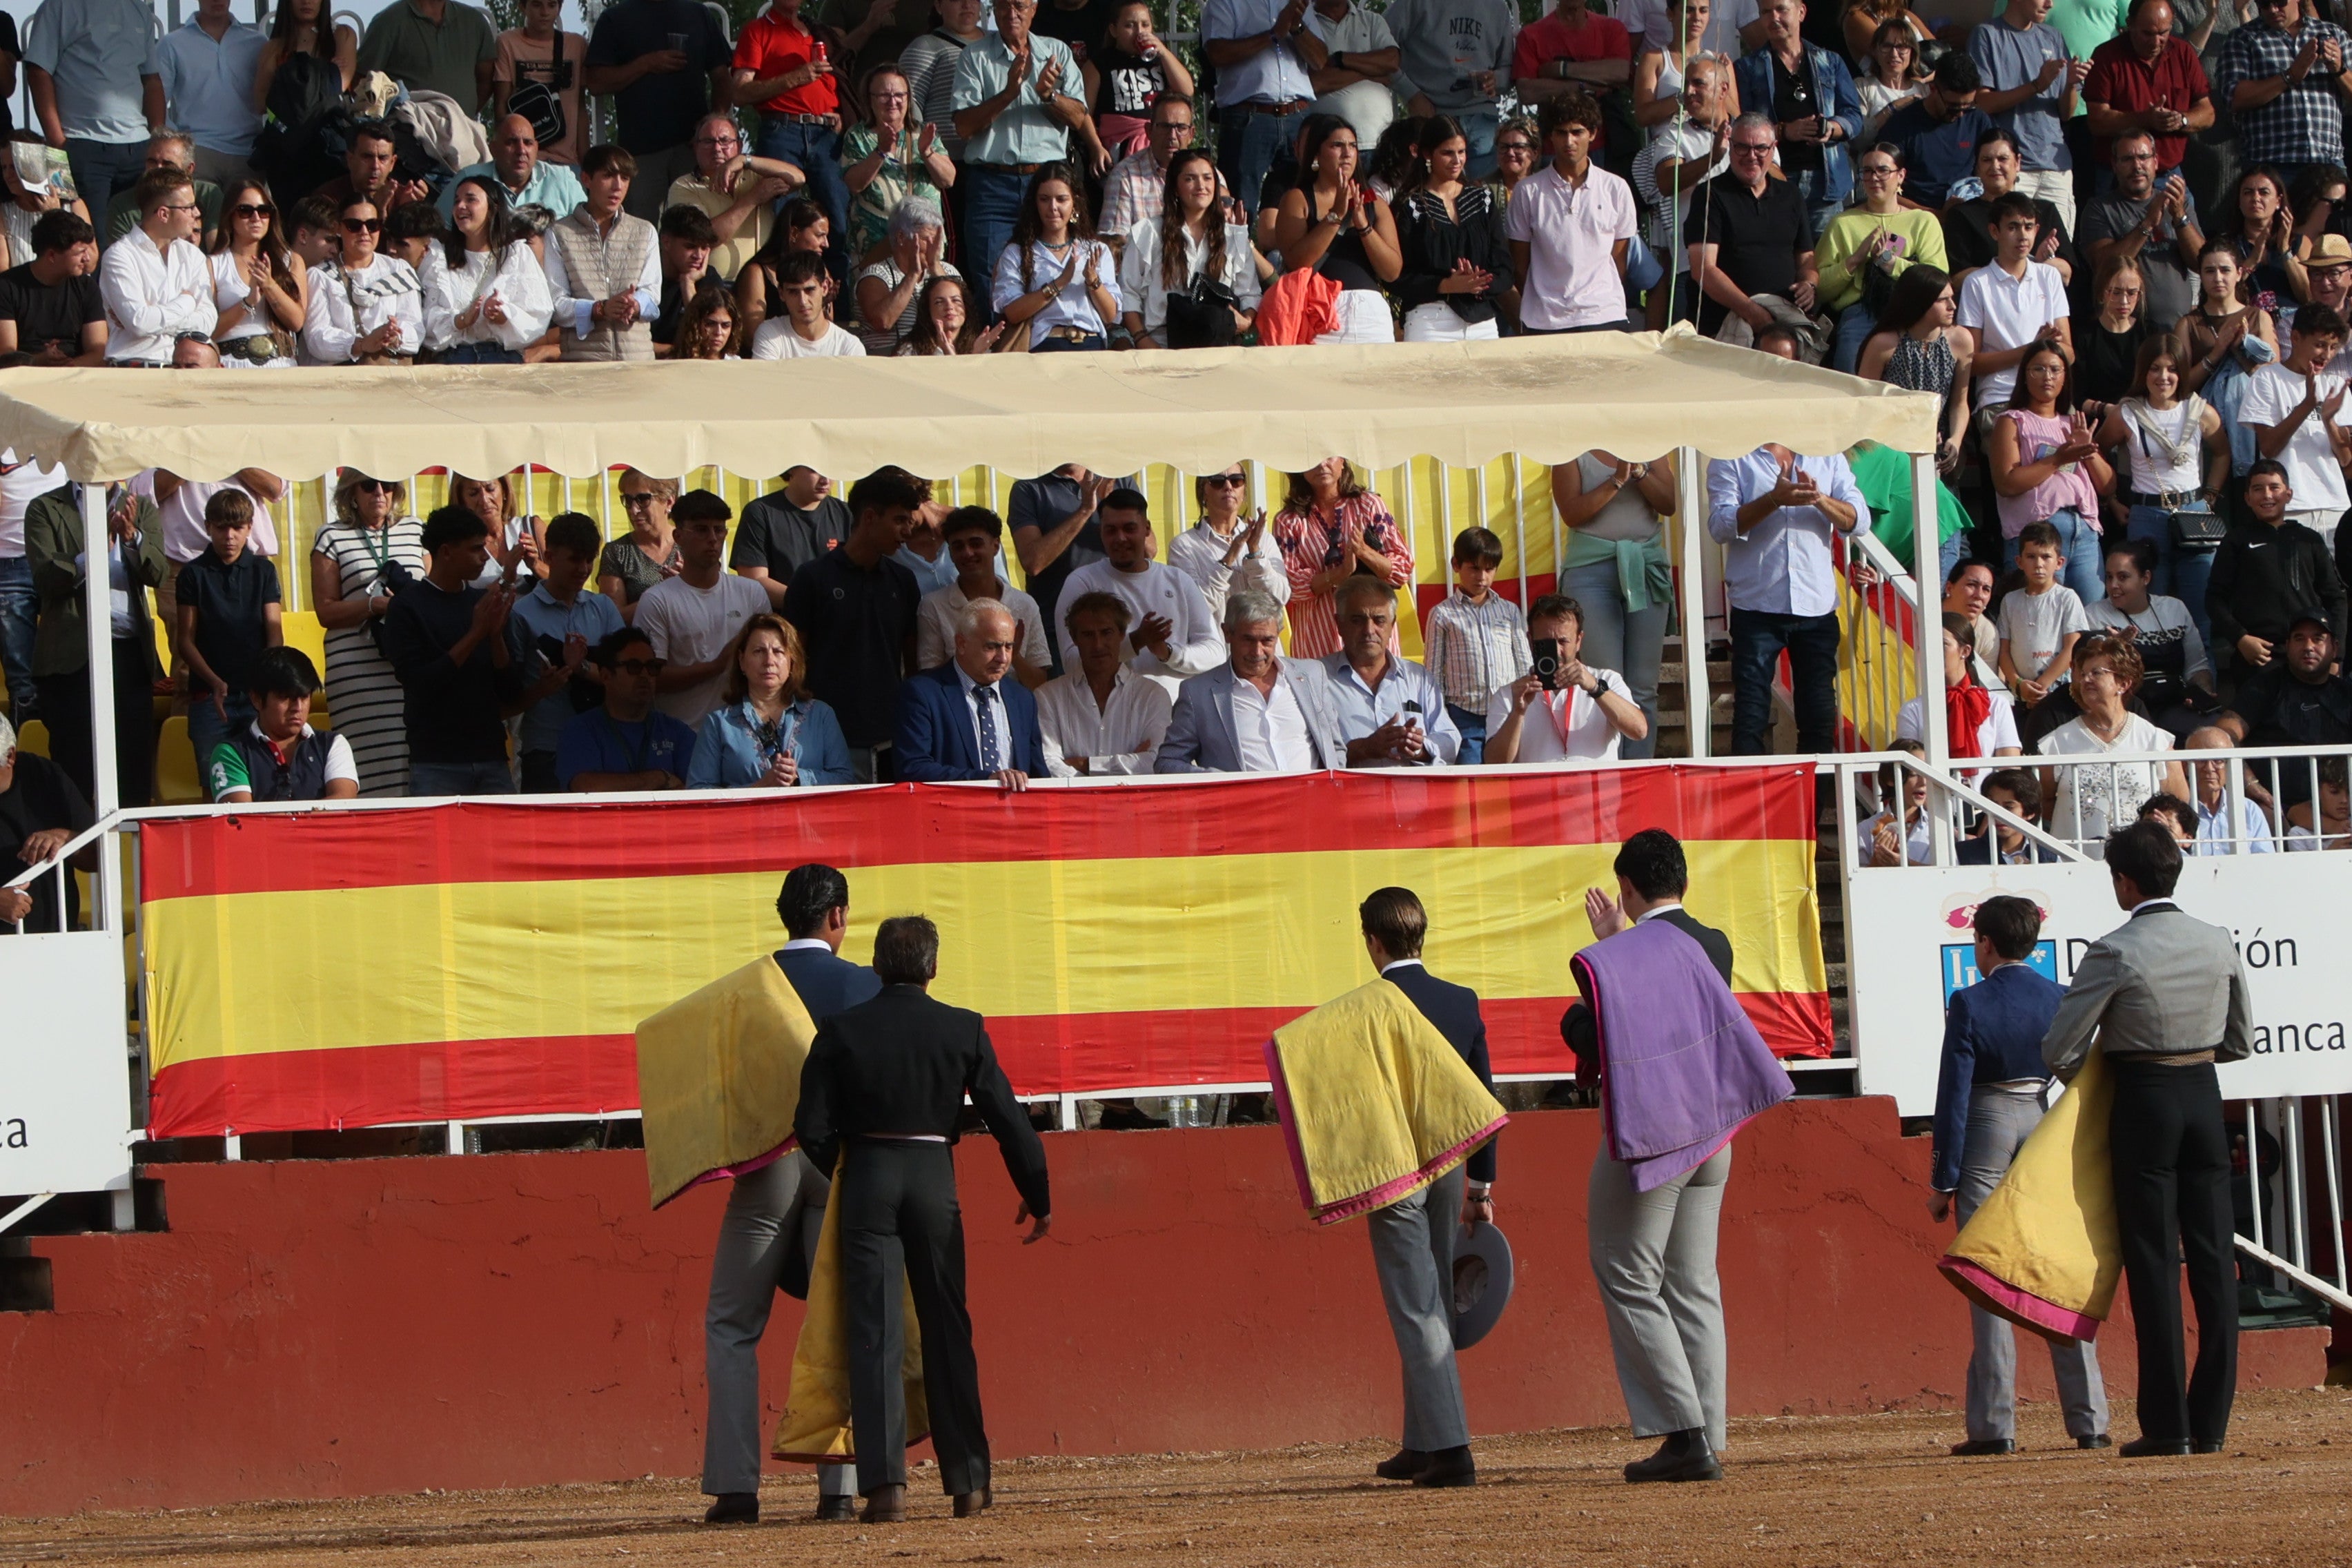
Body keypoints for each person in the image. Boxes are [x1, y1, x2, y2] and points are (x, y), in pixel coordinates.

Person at [792, 913, 1049, 1522]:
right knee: (945, 1327)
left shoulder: (841, 1030)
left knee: (876, 1331)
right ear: (933, 968)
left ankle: (885, 1488)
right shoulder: (962, 1028)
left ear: (878, 967)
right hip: (934, 1175)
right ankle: (968, 1482)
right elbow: (1008, 1118)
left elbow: (810, 1126)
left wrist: (847, 1170)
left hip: (870, 1176)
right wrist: (1036, 1192)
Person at [1561, 828, 1765, 1485]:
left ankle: (1684, 1435)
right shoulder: (1715, 943)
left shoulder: (1627, 954)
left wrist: (1610, 952)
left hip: (1655, 1135)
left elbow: (1603, 1027)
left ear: (1626, 888)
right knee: (1694, 1281)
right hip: (1716, 1138)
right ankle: (1708, 1426)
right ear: (1683, 880)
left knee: (1625, 1269)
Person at [2041, 820, 2251, 1455]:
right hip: (2203, 1095)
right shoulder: (2217, 941)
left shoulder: (2115, 950)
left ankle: (2168, 1427)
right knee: (2215, 1260)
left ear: (2125, 882)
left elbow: (2060, 1047)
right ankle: (2210, 1423)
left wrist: (2100, 1079)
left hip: (2143, 1101)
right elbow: (2239, 1040)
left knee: (2154, 1262)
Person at [696, 865, 877, 1529]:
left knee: (732, 1324)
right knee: (840, 1318)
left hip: (766, 1163)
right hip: (839, 1163)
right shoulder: (863, 984)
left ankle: (735, 1487)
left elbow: (721, 1087)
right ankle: (839, 1486)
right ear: (837, 918)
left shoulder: (748, 987)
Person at [1928, 894, 2110, 1455]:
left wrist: (1943, 1181)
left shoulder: (1969, 1001)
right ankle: (2090, 1421)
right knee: (2055, 1265)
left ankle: (1994, 1428)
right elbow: (2081, 1070)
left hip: (1987, 1125)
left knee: (1987, 1276)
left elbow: (1954, 1095)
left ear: (1984, 943)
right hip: (2042, 1116)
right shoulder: (2059, 996)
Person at [1354, 886, 1496, 1490]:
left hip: (1392, 1172)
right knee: (1430, 1293)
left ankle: (1451, 1449)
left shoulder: (1363, 1008)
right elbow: (1484, 1101)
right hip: (1447, 1165)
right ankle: (1421, 1443)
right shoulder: (1461, 1002)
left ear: (1374, 942)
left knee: (1416, 1306)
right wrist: (1481, 1186)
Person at [1707, 442, 1865, 756]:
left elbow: (1859, 519)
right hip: (1756, 606)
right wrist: (1774, 500)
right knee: (1750, 717)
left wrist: (1819, 499)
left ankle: (1812, 807)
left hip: (1815, 608)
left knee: (1819, 720)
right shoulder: (1731, 454)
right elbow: (1721, 526)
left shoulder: (1827, 453)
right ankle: (1753, 805)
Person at [24, 480, 163, 808]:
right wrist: (95, 551)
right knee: (74, 773)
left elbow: (158, 572)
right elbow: (45, 580)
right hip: (71, 658)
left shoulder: (141, 507)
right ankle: (73, 856)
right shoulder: (45, 507)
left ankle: (131, 857)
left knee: (133, 771)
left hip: (127, 653)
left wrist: (132, 539)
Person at [783, 467, 928, 781]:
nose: (907, 531)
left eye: (909, 521)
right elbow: (793, 662)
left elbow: (911, 662)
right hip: (826, 739)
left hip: (890, 735)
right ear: (870, 518)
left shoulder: (903, 581)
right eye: (899, 520)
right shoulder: (812, 578)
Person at [380, 504, 525, 796]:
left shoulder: (482, 602)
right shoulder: (407, 607)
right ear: (446, 552)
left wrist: (495, 636)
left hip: (491, 756)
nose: (485, 557)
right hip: (436, 762)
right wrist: (476, 634)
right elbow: (420, 684)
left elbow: (510, 689)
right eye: (476, 549)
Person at [953, 0, 1088, 304]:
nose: (1011, 13)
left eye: (1019, 5)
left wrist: (1049, 96)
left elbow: (1079, 118)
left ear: (1035, 8)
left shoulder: (1057, 53)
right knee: (992, 278)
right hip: (991, 186)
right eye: (1002, 5)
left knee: (1051, 273)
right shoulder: (975, 56)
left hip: (1047, 185)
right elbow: (963, 126)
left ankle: (1047, 347)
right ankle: (999, 351)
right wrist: (1009, 94)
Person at [2095, 336, 2222, 643]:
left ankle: (2203, 686)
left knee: (2200, 611)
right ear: (2143, 372)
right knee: (2148, 610)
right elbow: (2096, 452)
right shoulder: (2127, 413)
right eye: (2155, 369)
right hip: (2147, 516)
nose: (2163, 377)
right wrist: (2112, 500)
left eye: (2171, 369)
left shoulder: (2200, 410)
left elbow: (2223, 452)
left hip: (2193, 514)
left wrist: (2210, 497)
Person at [308, 471, 424, 794]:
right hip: (356, 670)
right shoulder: (330, 536)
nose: (379, 493)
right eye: (368, 485)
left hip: (406, 668)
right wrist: (375, 605)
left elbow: (432, 595)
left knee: (411, 758)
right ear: (351, 493)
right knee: (364, 766)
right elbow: (326, 611)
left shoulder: (416, 530)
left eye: (387, 485)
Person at [1155, 587, 1349, 772]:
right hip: (1244, 805)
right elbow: (1167, 762)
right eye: (1248, 640)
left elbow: (1333, 747)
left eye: (1267, 641)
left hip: (1312, 802)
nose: (1257, 652)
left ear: (1278, 635)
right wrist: (1218, 783)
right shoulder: (1198, 693)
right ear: (1227, 633)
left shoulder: (1311, 675)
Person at [1051, 491, 1222, 697]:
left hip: (1177, 714)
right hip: (1109, 715)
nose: (1121, 538)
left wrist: (1168, 653)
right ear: (1101, 533)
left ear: (1147, 529)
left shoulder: (1178, 580)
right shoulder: (1082, 582)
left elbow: (1215, 653)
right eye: (1111, 530)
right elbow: (1072, 664)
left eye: (1129, 528)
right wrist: (1135, 641)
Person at [730, 0, 850, 282]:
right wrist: (796, 77)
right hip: (781, 130)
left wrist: (841, 113)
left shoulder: (818, 32)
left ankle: (840, 308)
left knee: (838, 224)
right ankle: (783, 300)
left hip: (826, 134)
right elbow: (740, 91)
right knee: (784, 224)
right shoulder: (758, 30)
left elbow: (838, 78)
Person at [2035, 633, 2189, 851]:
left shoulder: (2154, 740)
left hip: (2140, 860)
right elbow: (2046, 801)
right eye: (2083, 673)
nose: (2086, 679)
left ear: (2123, 683)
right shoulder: (2058, 743)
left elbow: (2178, 801)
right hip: (2076, 865)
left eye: (2096, 673)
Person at [635, 489, 773, 732]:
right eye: (701, 530)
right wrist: (715, 667)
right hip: (683, 735)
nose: (713, 538)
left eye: (719, 530)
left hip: (745, 735)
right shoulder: (657, 600)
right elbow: (650, 678)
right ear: (678, 536)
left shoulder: (752, 592)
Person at [583, 0, 732, 222]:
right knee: (640, 231)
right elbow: (595, 82)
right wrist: (645, 64)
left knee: (694, 229)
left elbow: (722, 77)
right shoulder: (615, 18)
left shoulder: (698, 14)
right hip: (641, 151)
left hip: (691, 148)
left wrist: (712, 125)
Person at [507, 512, 623, 792]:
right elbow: (508, 697)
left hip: (603, 743)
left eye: (589, 559)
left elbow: (625, 677)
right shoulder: (521, 614)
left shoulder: (604, 608)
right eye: (575, 559)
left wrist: (580, 667)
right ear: (550, 556)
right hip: (546, 749)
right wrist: (544, 688)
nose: (584, 568)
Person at [174, 487, 282, 782]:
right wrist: (214, 682)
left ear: (250, 528)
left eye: (237, 527)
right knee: (215, 785)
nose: (230, 536)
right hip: (208, 697)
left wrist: (262, 684)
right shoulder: (192, 574)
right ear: (208, 527)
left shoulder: (264, 571)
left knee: (264, 782)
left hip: (255, 697)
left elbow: (274, 633)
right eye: (221, 528)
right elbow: (185, 639)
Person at [1988, 340, 2109, 603]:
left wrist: (2087, 451)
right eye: (2038, 369)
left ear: (2065, 377)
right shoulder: (2012, 421)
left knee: (2092, 617)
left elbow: (2108, 486)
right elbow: (2007, 483)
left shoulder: (2072, 423)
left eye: (2056, 370)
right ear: (2025, 375)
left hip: (2084, 529)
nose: (2048, 377)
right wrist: (2057, 460)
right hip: (2039, 532)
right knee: (2040, 615)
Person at [1731, 0, 1862, 237]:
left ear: (1801, 12)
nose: (1774, 18)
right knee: (1780, 264)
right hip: (1774, 180)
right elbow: (1740, 125)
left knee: (1823, 265)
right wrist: (1784, 131)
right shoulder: (1747, 68)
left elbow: (1854, 117)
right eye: (1766, 12)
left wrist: (1831, 128)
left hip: (1825, 183)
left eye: (1781, 9)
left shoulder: (1830, 62)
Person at [1509, 92, 1637, 334]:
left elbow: (1619, 261)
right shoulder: (1527, 191)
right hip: (1544, 321)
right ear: (1551, 136)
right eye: (1561, 132)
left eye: (1577, 132)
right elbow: (1520, 266)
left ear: (1593, 134)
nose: (1569, 142)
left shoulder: (1616, 188)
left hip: (1604, 315)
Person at [23, 0, 164, 219]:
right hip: (80, 144)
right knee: (85, 243)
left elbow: (152, 79)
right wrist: (58, 143)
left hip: (138, 148)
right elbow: (38, 71)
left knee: (140, 241)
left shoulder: (139, 9)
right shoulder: (58, 6)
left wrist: (157, 140)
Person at [1816, 142, 1947, 372]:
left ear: (1901, 176)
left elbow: (1938, 279)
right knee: (1854, 388)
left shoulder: (1923, 221)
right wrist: (1855, 260)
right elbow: (1822, 288)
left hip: (1913, 314)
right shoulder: (1842, 223)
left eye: (1883, 170)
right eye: (1867, 171)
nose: (1874, 177)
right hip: (1859, 314)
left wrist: (1892, 263)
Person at [2209, 461, 2348, 676]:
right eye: (2258, 489)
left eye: (2274, 488)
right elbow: (2214, 599)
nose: (2267, 495)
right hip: (2259, 657)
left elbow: (2336, 598)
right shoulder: (2236, 541)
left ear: (2289, 494)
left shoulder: (2310, 540)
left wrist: (2335, 655)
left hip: (2310, 656)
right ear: (2247, 498)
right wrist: (2241, 639)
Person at [1685, 113, 1816, 340]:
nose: (1751, 156)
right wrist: (1755, 315)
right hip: (1727, 326)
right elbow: (1704, 269)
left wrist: (1809, 285)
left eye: (1760, 149)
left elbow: (1806, 259)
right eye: (1742, 148)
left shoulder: (1791, 195)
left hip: (1785, 324)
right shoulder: (1709, 195)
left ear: (1773, 148)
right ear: (1731, 147)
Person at [1271, 116, 1401, 344]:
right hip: (1320, 311)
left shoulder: (1375, 203)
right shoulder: (1297, 199)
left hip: (1371, 313)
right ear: (1316, 154)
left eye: (1353, 146)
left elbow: (1392, 272)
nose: (1347, 153)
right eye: (1337, 145)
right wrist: (1335, 217)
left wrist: (1364, 226)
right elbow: (1297, 261)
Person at [894, 597, 1048, 789]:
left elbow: (1038, 774)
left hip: (1013, 815)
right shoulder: (923, 694)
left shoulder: (1022, 699)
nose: (1002, 658)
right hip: (950, 813)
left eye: (1009, 647)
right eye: (991, 647)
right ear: (961, 644)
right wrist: (986, 780)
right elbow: (912, 768)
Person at [687, 615, 855, 789]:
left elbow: (845, 780)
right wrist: (760, 787)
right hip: (747, 817)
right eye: (759, 651)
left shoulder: (821, 715)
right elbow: (698, 790)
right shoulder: (718, 723)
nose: (769, 661)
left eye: (778, 651)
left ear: (792, 661)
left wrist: (799, 778)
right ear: (742, 661)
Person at [2213, 609, 2352, 814]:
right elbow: (2223, 734)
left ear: (2334, 648)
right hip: (2276, 810)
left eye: (2318, 639)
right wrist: (2251, 784)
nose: (2308, 647)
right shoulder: (2264, 687)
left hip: (2341, 809)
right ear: (2287, 646)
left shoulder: (2346, 695)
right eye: (2299, 639)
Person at [1629, 52, 1732, 331]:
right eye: (1686, 83)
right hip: (1692, 272)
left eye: (1698, 83)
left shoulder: (1749, 134)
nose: (1689, 92)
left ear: (1723, 89)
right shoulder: (1673, 137)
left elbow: (1778, 183)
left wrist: (1753, 156)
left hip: (1742, 267)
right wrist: (1713, 157)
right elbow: (1666, 182)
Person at [1389, 117, 1514, 344]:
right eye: (1448, 153)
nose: (1457, 160)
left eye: (1462, 152)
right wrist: (1445, 285)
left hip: (1482, 321)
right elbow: (1395, 276)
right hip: (1429, 321)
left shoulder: (1482, 199)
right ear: (1427, 154)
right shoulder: (1409, 206)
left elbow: (1504, 268)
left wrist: (1478, 283)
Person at [1484, 592, 1646, 765]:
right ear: (1530, 641)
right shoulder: (1510, 694)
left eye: (1563, 641)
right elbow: (1494, 763)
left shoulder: (1607, 680)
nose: (1556, 652)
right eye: (1545, 643)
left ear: (1578, 640)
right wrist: (1518, 712)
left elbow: (1639, 731)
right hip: (1538, 792)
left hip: (1598, 792)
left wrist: (1595, 688)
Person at [1119, 149, 1260, 347]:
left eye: (1207, 178)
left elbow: (1250, 294)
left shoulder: (1234, 237)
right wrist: (1142, 339)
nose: (1201, 186)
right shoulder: (1147, 233)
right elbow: (1129, 292)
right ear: (1176, 188)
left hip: (1219, 346)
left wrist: (1245, 322)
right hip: (1161, 344)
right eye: (1190, 179)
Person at [1966, 0, 2081, 237]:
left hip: (2056, 166)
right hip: (2012, 169)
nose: (2050, 4)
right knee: (2013, 251)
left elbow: (2066, 113)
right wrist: (2037, 85)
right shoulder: (1986, 35)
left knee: (2058, 255)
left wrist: (2070, 85)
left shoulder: (2053, 37)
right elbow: (1984, 102)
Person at [1957, 194, 2073, 423]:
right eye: (2013, 227)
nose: (2023, 235)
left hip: (2051, 398)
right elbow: (1971, 363)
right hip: (1999, 397)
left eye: (2029, 227)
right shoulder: (1977, 283)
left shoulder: (2049, 276)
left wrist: (2051, 349)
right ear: (1994, 231)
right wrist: (2031, 350)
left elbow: (2069, 353)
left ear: (2037, 229)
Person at [1320, 576, 1460, 765]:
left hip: (1411, 793)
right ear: (1339, 624)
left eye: (1379, 620)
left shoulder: (1418, 678)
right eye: (1357, 620)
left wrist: (1419, 748)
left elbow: (1450, 741)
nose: (1369, 630)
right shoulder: (1317, 680)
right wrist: (1363, 749)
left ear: (1392, 625)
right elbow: (1307, 752)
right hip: (1350, 794)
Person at [2240, 300, 2352, 537]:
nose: (2327, 355)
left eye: (2333, 347)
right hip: (2290, 508)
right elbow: (2269, 447)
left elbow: (2346, 461)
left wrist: (2328, 420)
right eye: (2320, 345)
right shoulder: (2267, 379)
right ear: (2295, 337)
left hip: (2336, 506)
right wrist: (2308, 405)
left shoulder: (2336, 385)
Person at [2087, 537, 2215, 737]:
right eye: (2109, 577)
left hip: (2175, 701)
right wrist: (2116, 649)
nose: (2113, 585)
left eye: (2123, 577)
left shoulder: (2174, 608)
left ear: (2145, 578)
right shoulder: (2094, 614)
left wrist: (2202, 695)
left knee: (2215, 729)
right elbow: (2088, 673)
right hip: (2129, 706)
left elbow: (2197, 667)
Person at [2211, 0, 2352, 181]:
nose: (2273, 9)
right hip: (2271, 166)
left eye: (2280, 2)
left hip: (2327, 162)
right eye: (2264, 4)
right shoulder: (2243, 39)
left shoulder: (2333, 34)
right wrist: (2290, 76)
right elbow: (2234, 98)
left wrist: (2339, 69)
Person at [1037, 591, 1174, 775]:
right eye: (1088, 635)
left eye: (1106, 633)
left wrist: (1086, 765)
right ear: (1074, 638)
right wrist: (1125, 765)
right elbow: (1046, 763)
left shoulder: (1152, 695)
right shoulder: (1047, 697)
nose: (1098, 644)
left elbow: (1158, 762)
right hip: (1074, 803)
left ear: (1122, 634)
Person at [1420, 526, 1526, 765]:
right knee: (1472, 779)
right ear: (1456, 565)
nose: (1482, 577)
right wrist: (1441, 717)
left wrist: (1526, 705)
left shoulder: (1509, 611)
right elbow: (1434, 673)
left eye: (1489, 569)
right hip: (1464, 717)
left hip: (1507, 712)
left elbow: (1523, 663)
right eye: (1474, 569)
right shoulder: (1442, 614)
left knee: (1510, 774)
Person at [420, 175, 553, 363]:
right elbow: (425, 318)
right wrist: (459, 320)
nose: (460, 206)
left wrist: (503, 316)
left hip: (502, 359)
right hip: (453, 360)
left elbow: (539, 313)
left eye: (470, 199)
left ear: (494, 208)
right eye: (457, 201)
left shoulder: (516, 254)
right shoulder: (439, 256)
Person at [202, 646, 358, 805]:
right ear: (256, 699)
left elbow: (343, 803)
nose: (298, 707)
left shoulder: (334, 744)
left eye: (304, 697)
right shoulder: (229, 753)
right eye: (285, 697)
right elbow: (243, 820)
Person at [1200, 0, 1317, 213]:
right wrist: (1273, 34)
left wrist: (1297, 28)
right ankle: (1239, 246)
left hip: (1297, 116)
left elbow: (1320, 60)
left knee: (1306, 201)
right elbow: (1217, 53)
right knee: (1240, 206)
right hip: (1249, 116)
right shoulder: (1225, 3)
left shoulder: (1297, 4)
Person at [545, 144, 659, 361]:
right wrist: (600, 309)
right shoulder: (559, 233)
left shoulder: (645, 231)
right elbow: (557, 304)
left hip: (638, 362)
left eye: (625, 178)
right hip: (583, 364)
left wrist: (634, 305)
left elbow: (653, 297)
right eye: (608, 176)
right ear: (586, 180)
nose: (618, 186)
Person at [2079, 133, 2201, 336]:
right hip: (2126, 335)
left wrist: (2180, 217)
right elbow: (2103, 266)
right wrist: (2147, 224)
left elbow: (2200, 261)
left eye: (2143, 158)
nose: (2137, 166)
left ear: (2155, 162)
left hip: (2177, 332)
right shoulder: (2100, 208)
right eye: (2127, 159)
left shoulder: (2179, 203)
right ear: (2114, 164)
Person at [990, 162, 1121, 351]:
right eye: (1044, 199)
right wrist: (1059, 283)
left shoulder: (1096, 250)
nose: (1053, 207)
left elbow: (1110, 316)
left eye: (1061, 199)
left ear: (1074, 202)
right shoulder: (1017, 252)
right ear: (1035, 203)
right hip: (1045, 347)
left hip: (1091, 345)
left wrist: (1093, 281)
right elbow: (1013, 312)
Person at [1384, 0, 1518, 178]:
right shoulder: (1412, 4)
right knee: (1433, 196)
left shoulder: (1498, 7)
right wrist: (1412, 95)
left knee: (1481, 197)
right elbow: (1379, 51)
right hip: (1431, 116)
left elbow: (1508, 67)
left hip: (1483, 119)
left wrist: (1497, 79)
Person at [1858, 266, 1974, 470]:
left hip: (1938, 448)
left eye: (1952, 298)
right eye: (1942, 300)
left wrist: (1955, 439)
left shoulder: (1961, 340)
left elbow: (1959, 402)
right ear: (1919, 302)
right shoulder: (1883, 344)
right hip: (1892, 448)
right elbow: (1866, 403)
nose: (1953, 306)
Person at [97, 167, 216, 366]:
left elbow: (208, 322)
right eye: (189, 207)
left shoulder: (193, 255)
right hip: (134, 369)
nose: (197, 213)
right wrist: (186, 303)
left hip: (182, 368)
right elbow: (139, 322)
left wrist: (155, 317)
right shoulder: (119, 256)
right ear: (163, 214)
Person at [665, 114, 801, 286]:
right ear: (695, 147)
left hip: (765, 285)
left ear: (739, 145)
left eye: (724, 141)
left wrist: (746, 160)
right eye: (708, 141)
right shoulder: (685, 186)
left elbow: (798, 179)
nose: (717, 148)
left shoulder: (756, 176)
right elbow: (702, 237)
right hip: (714, 284)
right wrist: (753, 198)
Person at [2084, 0, 2213, 182]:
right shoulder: (2106, 57)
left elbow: (2208, 113)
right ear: (2130, 24)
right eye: (2147, 34)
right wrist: (2146, 119)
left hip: (2170, 173)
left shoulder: (2183, 53)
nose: (2156, 42)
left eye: (2163, 33)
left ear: (2172, 23)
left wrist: (2181, 120)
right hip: (2118, 179)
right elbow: (2097, 122)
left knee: (2184, 211)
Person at [556, 625, 697, 790]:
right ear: (606, 676)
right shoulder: (580, 730)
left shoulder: (677, 732)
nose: (645, 675)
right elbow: (586, 786)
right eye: (634, 666)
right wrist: (658, 778)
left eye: (652, 667)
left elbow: (697, 790)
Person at [1009, 465, 1113, 674]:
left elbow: (1150, 549)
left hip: (1114, 626)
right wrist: (1085, 510)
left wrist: (1111, 509)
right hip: (1058, 631)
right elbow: (1033, 562)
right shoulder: (1028, 487)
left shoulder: (1117, 477)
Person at [1939, 129, 2076, 285]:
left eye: (2003, 159)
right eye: (1986, 160)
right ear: (1977, 166)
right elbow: (1958, 279)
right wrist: (2022, 265)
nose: (1995, 166)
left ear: (2017, 162)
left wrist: (2038, 263)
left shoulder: (2044, 210)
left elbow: (2066, 274)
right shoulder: (1962, 215)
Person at [0, 710, 94, 933]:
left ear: (10, 756)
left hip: (56, 942)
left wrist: (67, 838)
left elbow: (98, 856)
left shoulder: (45, 776)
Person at [157, 0, 267, 190]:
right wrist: (179, 142)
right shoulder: (172, 43)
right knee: (200, 218)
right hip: (198, 151)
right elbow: (156, 99)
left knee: (248, 218)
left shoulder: (258, 43)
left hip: (248, 153)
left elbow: (272, 99)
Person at [301, 198, 423, 364]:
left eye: (372, 225)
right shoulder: (320, 275)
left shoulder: (400, 270)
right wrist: (361, 344)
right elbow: (317, 338)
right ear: (339, 229)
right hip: (343, 379)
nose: (364, 232)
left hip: (391, 378)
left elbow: (416, 329)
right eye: (354, 225)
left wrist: (393, 335)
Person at [1899, 612, 2023, 771]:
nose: (1931, 652)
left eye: (1942, 644)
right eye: (1924, 645)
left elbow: (2010, 770)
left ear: (1965, 651)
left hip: (1983, 795)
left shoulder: (1997, 704)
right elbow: (1910, 773)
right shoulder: (1913, 710)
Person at [203, 179, 305, 369]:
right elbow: (208, 331)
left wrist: (270, 286)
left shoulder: (291, 261)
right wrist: (247, 303)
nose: (256, 218)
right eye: (245, 211)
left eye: (264, 211)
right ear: (230, 216)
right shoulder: (213, 265)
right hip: (231, 363)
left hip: (281, 363)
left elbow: (297, 322)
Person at [1168, 466, 1288, 625]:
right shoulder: (1184, 546)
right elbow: (1193, 608)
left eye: (1236, 480)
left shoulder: (1263, 540)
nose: (1228, 487)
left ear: (1244, 492)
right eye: (1217, 482)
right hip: (1216, 646)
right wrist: (1230, 557)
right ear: (1203, 492)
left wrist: (1255, 554)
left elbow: (1280, 598)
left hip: (1261, 646)